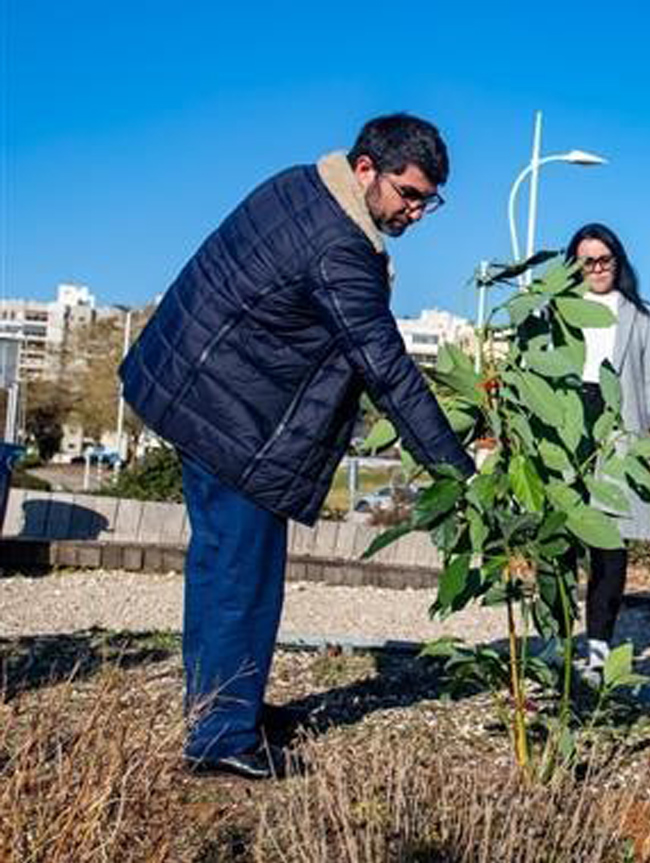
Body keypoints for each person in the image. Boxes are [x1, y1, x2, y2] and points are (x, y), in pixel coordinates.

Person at [120, 114, 474, 780]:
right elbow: (386, 369)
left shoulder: (302, 185)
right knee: (242, 578)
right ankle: (221, 739)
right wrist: (459, 472)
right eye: (409, 194)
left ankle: (225, 707)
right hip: (232, 414)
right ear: (367, 168)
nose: (418, 212)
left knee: (221, 563)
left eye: (429, 200)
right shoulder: (338, 246)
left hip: (202, 392)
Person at [563, 223, 650, 672]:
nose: (597, 268)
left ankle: (599, 646)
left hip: (619, 429)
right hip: (567, 426)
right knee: (562, 540)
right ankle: (556, 639)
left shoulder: (642, 314)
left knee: (610, 545)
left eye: (605, 260)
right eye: (588, 261)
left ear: (618, 261)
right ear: (575, 265)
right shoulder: (559, 310)